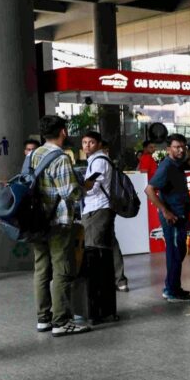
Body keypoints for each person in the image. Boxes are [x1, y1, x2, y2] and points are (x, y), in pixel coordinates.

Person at [32, 115, 90, 336]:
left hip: (36, 221)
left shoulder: (33, 154)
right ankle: (61, 321)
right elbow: (70, 193)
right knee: (62, 270)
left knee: (41, 269)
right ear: (63, 132)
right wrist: (83, 187)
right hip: (58, 222)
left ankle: (43, 318)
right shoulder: (60, 158)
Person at [144, 134, 190, 303]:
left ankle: (172, 287)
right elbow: (149, 190)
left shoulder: (177, 165)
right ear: (168, 149)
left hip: (181, 216)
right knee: (174, 254)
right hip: (172, 218)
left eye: (183, 147)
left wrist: (187, 217)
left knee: (179, 252)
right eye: (176, 147)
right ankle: (172, 291)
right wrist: (165, 211)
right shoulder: (166, 166)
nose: (181, 150)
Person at [80, 131, 118, 319]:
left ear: (99, 144)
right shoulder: (95, 160)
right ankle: (104, 308)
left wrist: (78, 187)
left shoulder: (99, 161)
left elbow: (92, 188)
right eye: (84, 142)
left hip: (97, 209)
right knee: (102, 254)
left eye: (91, 142)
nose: (87, 146)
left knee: (96, 255)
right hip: (99, 209)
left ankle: (100, 308)